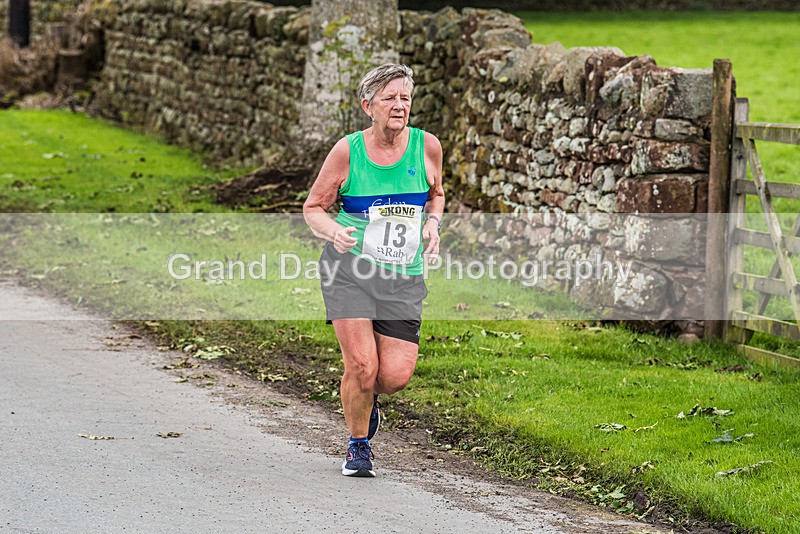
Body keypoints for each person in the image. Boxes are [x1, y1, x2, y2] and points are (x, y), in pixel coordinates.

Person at [303, 63, 444, 477]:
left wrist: (433, 225)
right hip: (349, 271)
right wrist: (334, 232)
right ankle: (358, 446)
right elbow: (313, 208)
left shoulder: (427, 147)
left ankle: (366, 399)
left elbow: (436, 195)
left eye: (405, 98)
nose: (399, 106)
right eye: (389, 98)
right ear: (368, 106)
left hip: (404, 275)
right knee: (362, 367)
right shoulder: (348, 151)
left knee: (394, 376)